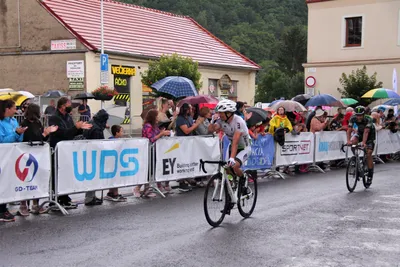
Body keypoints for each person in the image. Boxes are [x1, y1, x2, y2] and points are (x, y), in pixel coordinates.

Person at [49, 97, 92, 208]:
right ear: (62, 106)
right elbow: (62, 133)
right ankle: (56, 198)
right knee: (57, 174)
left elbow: (71, 132)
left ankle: (65, 197)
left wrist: (80, 128)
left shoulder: (68, 117)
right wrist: (75, 127)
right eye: (69, 105)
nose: (71, 108)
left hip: (66, 149)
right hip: (57, 148)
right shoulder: (54, 118)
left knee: (65, 173)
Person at [210, 99, 251, 215]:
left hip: (244, 147)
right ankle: (230, 197)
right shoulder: (221, 120)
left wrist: (232, 158)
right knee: (227, 171)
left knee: (234, 165)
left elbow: (236, 142)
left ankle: (242, 178)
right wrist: (212, 123)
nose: (220, 115)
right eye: (219, 113)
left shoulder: (239, 121)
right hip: (232, 146)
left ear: (229, 113)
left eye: (222, 113)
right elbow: (211, 130)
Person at [18, 104, 58, 216]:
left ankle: (36, 204)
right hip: (26, 155)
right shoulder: (24, 123)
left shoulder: (38, 123)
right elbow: (30, 137)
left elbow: (42, 138)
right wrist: (43, 134)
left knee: (37, 179)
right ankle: (23, 205)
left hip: (38, 154)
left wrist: (46, 134)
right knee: (25, 179)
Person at [0, 100, 28, 222]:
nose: (16, 110)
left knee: (8, 182)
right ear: (7, 109)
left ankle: (4, 208)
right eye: (13, 108)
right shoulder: (1, 123)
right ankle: (2, 210)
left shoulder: (14, 121)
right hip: (3, 155)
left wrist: (20, 133)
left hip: (12, 155)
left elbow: (19, 139)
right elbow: (2, 140)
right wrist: (15, 133)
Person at [135, 109, 171, 197]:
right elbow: (151, 139)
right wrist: (161, 134)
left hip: (155, 150)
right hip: (148, 150)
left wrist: (164, 132)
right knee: (148, 170)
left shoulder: (155, 126)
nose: (158, 117)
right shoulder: (148, 126)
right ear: (153, 117)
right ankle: (138, 188)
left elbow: (158, 134)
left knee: (153, 170)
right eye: (157, 116)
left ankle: (150, 188)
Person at [82, 109, 111, 205]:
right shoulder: (97, 128)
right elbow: (98, 143)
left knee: (91, 176)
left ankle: (91, 196)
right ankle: (89, 198)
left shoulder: (92, 123)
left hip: (88, 152)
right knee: (93, 177)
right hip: (93, 154)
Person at [347, 106, 376, 184]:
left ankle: (370, 175)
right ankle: (357, 159)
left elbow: (366, 132)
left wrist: (363, 143)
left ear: (364, 114)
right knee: (353, 142)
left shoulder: (368, 119)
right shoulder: (353, 118)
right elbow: (349, 130)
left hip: (370, 135)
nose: (358, 117)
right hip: (360, 133)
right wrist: (348, 141)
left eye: (360, 115)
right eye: (357, 115)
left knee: (368, 153)